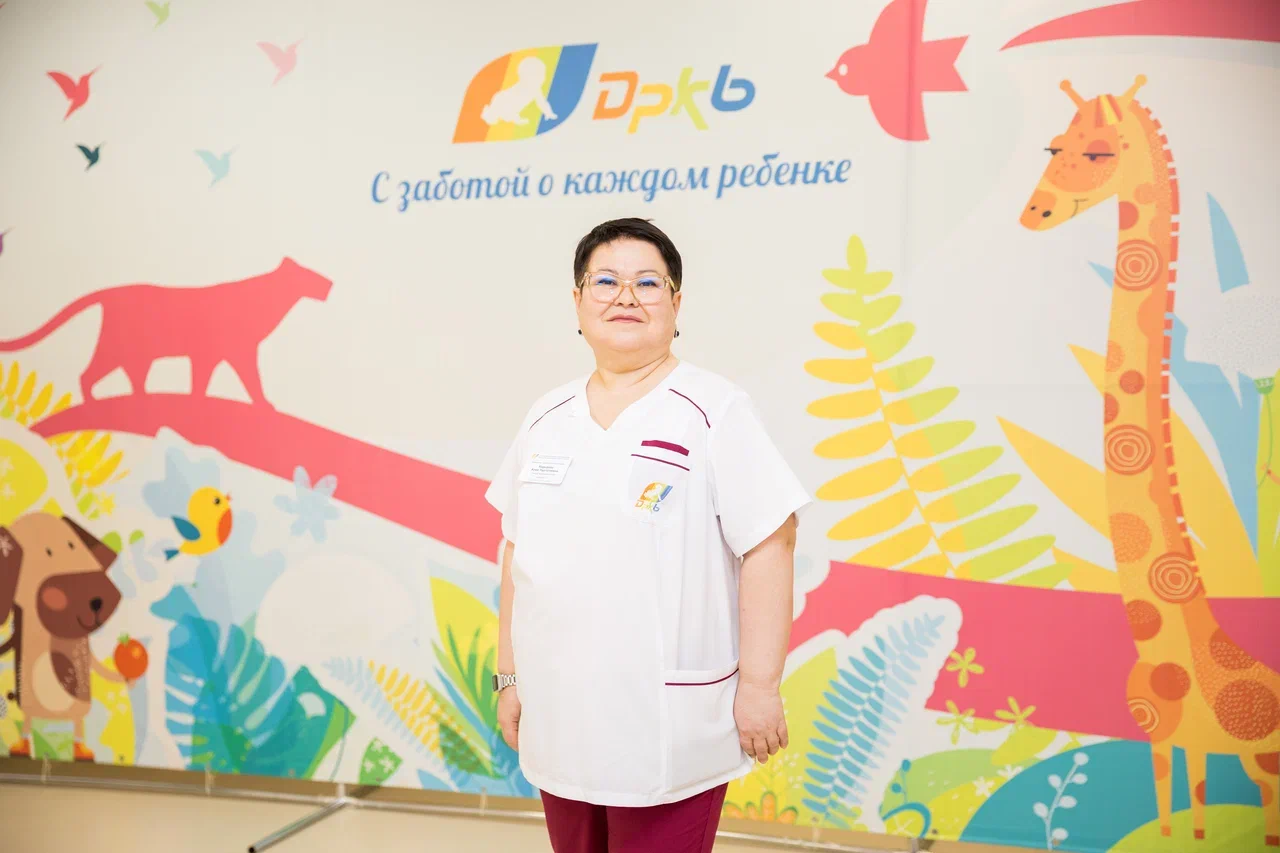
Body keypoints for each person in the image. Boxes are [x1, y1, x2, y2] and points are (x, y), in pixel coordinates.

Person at [484, 218, 811, 853]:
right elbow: (517, 551)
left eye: (648, 283)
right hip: (559, 709)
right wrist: (509, 676)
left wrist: (760, 687)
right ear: (578, 301)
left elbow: (771, 543)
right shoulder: (546, 416)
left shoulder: (713, 409)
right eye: (605, 281)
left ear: (676, 304)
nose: (625, 296)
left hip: (665, 718)